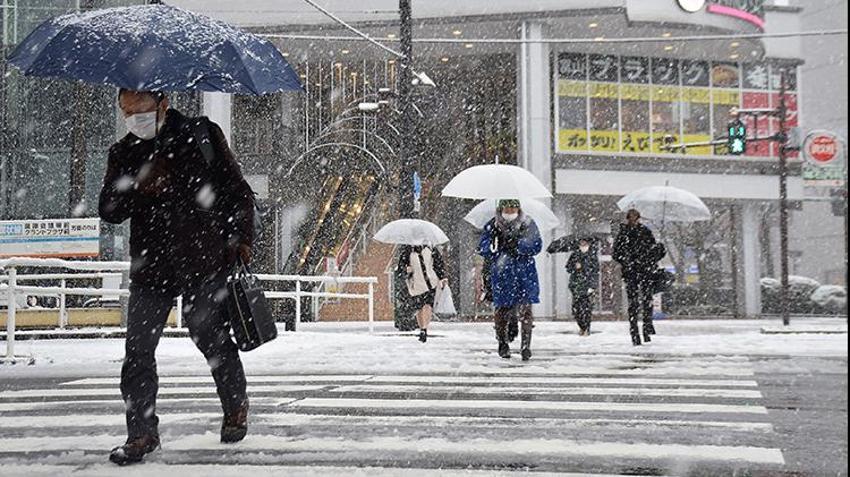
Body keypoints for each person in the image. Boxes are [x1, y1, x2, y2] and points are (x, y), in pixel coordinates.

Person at [99, 89, 255, 465]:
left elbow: (237, 190)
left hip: (202, 258)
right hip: (151, 267)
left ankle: (235, 403)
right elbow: (109, 209)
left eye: (140, 110)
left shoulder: (201, 135)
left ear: (163, 104)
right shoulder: (123, 152)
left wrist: (241, 238)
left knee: (210, 336)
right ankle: (141, 434)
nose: (133, 118)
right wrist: (139, 184)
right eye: (126, 111)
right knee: (137, 350)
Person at [478, 199, 542, 361]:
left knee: (526, 310)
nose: (510, 211)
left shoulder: (528, 223)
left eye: (513, 207)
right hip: (502, 273)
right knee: (502, 310)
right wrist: (494, 245)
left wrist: (519, 245)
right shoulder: (492, 225)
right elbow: (483, 247)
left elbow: (536, 245)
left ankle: (526, 346)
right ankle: (502, 342)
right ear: (501, 208)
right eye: (507, 207)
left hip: (524, 274)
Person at [613, 209, 662, 346]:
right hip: (631, 272)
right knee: (633, 303)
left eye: (635, 217)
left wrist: (656, 251)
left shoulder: (645, 232)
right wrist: (627, 260)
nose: (633, 219)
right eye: (631, 217)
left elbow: (653, 250)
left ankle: (647, 327)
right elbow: (616, 253)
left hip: (645, 270)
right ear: (628, 218)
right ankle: (634, 332)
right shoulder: (623, 233)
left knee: (647, 299)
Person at [397, 244, 447, 342]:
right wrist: (406, 270)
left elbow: (438, 264)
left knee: (427, 305)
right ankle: (422, 329)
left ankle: (424, 329)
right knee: (419, 308)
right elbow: (400, 268)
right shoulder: (407, 251)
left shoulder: (431, 249)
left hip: (430, 283)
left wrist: (442, 277)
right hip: (416, 285)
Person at [567, 238, 599, 336]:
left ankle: (586, 327)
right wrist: (574, 267)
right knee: (576, 308)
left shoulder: (592, 256)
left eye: (585, 243)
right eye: (581, 243)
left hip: (587, 285)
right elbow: (568, 268)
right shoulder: (575, 255)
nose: (583, 245)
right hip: (576, 285)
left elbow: (595, 272)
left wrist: (592, 285)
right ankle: (581, 325)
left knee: (586, 308)